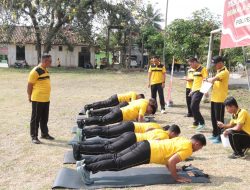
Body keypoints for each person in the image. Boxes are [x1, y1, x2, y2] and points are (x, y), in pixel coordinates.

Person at [76, 134, 206, 185]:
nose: (197, 150)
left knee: (116, 157)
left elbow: (168, 157)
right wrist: (176, 177)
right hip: (147, 152)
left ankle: (86, 162)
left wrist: (172, 168)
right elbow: (171, 161)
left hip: (145, 144)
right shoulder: (188, 148)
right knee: (118, 164)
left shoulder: (183, 139)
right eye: (199, 148)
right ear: (197, 144)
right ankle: (87, 168)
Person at [73, 125, 181, 160]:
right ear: (173, 133)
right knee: (108, 149)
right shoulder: (164, 136)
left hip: (130, 135)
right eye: (175, 136)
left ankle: (81, 146)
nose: (174, 138)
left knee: (106, 145)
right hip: (132, 140)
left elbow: (148, 130)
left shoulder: (160, 130)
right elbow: (155, 145)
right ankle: (80, 148)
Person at [27, 54, 54, 144]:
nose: (51, 62)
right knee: (35, 119)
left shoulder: (45, 70)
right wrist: (29, 96)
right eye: (50, 61)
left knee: (44, 118)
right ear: (44, 61)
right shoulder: (35, 71)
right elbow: (29, 85)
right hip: (38, 98)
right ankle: (34, 136)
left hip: (46, 98)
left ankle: (44, 134)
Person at [77, 98, 157, 128]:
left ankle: (86, 121)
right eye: (150, 111)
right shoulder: (144, 105)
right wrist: (144, 127)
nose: (148, 112)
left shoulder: (143, 101)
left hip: (121, 112)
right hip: (121, 113)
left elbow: (137, 117)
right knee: (102, 120)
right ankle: (84, 121)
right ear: (150, 106)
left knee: (103, 121)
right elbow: (140, 118)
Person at [206, 56, 229, 144]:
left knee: (219, 119)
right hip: (214, 98)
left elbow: (213, 79)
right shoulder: (218, 71)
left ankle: (220, 136)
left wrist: (207, 79)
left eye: (215, 64)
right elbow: (212, 82)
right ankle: (215, 133)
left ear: (220, 63)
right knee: (213, 117)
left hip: (220, 99)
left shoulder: (224, 72)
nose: (214, 66)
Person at [188, 57, 208, 131]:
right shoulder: (194, 70)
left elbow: (205, 80)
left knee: (193, 106)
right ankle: (196, 123)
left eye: (191, 64)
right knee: (193, 106)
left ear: (195, 62)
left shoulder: (203, 69)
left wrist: (205, 91)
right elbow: (195, 81)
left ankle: (202, 123)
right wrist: (191, 90)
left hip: (200, 90)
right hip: (194, 90)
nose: (190, 66)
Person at [80, 91, 145, 114]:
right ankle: (88, 106)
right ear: (139, 95)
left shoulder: (134, 96)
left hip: (117, 100)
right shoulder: (134, 94)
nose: (139, 100)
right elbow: (132, 104)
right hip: (116, 98)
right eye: (140, 99)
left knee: (104, 105)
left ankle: (92, 110)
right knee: (103, 104)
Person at [81, 121, 162, 139]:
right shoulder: (159, 129)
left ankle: (86, 131)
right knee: (107, 132)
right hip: (130, 128)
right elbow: (149, 130)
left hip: (130, 125)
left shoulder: (157, 125)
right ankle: (84, 132)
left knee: (106, 129)